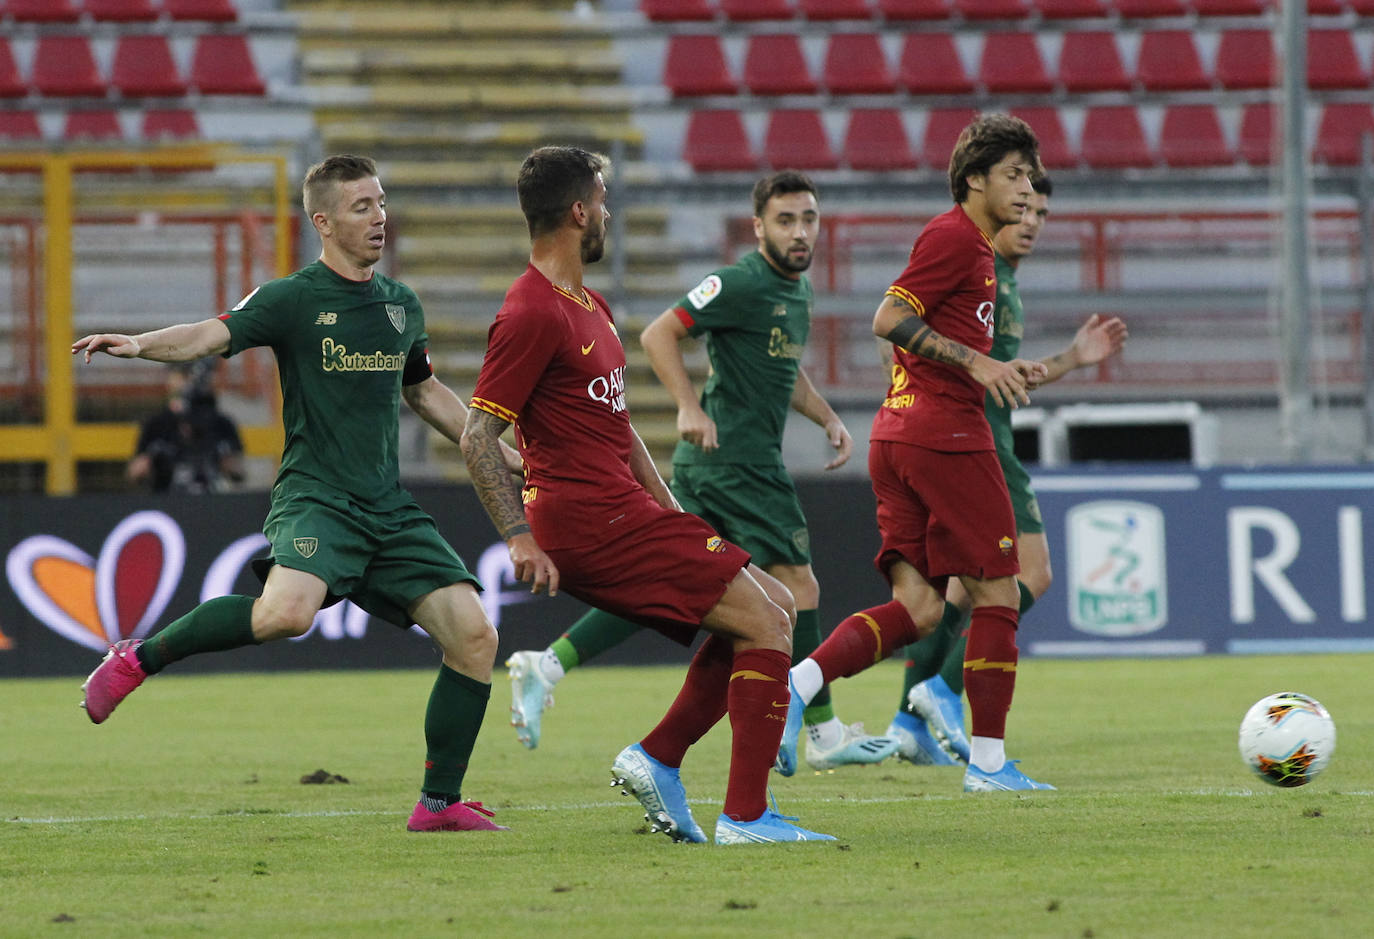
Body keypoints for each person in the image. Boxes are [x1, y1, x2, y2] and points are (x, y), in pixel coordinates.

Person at [72, 154, 521, 833]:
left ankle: (439, 804)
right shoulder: (292, 298)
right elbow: (209, 333)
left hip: (388, 509)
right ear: (324, 221)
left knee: (476, 638)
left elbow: (424, 390)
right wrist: (138, 343)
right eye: (362, 207)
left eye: (381, 202)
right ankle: (138, 657)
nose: (379, 217)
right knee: (286, 614)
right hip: (318, 499)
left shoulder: (401, 305)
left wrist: (497, 448)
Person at [460, 146, 833, 844]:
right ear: (578, 211)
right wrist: (517, 535)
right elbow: (479, 436)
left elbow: (620, 428)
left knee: (769, 608)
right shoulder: (531, 311)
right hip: (587, 520)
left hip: (626, 508)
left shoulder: (588, 304)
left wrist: (672, 509)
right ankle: (745, 815)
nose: (607, 213)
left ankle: (660, 757)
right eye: (601, 201)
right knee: (770, 620)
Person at [501, 170, 897, 772]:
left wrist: (825, 416)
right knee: (791, 592)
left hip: (745, 463)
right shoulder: (739, 282)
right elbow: (661, 332)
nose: (799, 232)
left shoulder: (796, 290)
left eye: (808, 219)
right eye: (785, 220)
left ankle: (554, 667)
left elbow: (784, 370)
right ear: (758, 226)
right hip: (732, 464)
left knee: (696, 591)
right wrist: (688, 406)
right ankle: (816, 728)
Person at [773, 113, 1058, 793]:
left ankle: (797, 680)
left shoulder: (977, 251)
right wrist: (976, 365)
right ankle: (988, 764)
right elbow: (888, 317)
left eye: (1030, 176)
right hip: (947, 437)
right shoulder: (955, 237)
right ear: (974, 179)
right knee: (998, 590)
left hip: (900, 436)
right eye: (1014, 175)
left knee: (922, 608)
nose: (1026, 190)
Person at [886, 177, 1129, 766]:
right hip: (974, 443)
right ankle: (938, 689)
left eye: (1044, 211)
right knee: (1030, 574)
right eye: (1025, 205)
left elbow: (1005, 372)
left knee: (951, 591)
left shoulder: (1005, 278)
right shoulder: (973, 255)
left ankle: (906, 722)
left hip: (975, 436)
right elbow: (908, 325)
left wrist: (1071, 359)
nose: (1033, 220)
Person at [129, 361, 245, 493]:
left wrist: (227, 460)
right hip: (167, 501)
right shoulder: (156, 424)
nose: (188, 383)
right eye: (183, 375)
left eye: (192, 376)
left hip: (210, 501)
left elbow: (239, 473)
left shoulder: (221, 423)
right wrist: (148, 461)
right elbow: (135, 473)